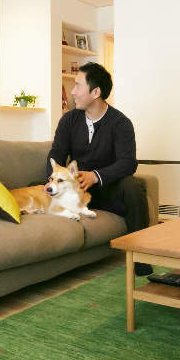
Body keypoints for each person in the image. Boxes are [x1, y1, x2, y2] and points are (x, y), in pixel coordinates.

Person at [47, 62, 153, 276]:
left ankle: (140, 259)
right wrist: (51, 181)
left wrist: (96, 176)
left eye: (78, 85)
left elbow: (128, 162)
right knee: (36, 186)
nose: (73, 92)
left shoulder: (121, 123)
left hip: (106, 188)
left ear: (96, 92)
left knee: (134, 188)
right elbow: (56, 154)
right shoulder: (68, 120)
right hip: (75, 190)